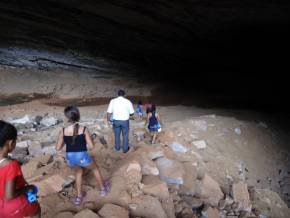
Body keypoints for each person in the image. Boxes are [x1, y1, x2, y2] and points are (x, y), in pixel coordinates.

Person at [55, 106, 110, 205]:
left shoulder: (63, 131)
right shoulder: (83, 129)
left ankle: (79, 197)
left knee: (78, 172)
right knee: (94, 168)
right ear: (78, 116)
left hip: (70, 158)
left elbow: (58, 148)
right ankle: (103, 189)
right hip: (82, 157)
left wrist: (65, 142)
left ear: (67, 118)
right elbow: (92, 146)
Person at [0, 120, 41, 218]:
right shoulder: (11, 165)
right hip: (13, 206)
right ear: (10, 143)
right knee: (36, 210)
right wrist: (26, 188)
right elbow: (9, 195)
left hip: (1, 208)